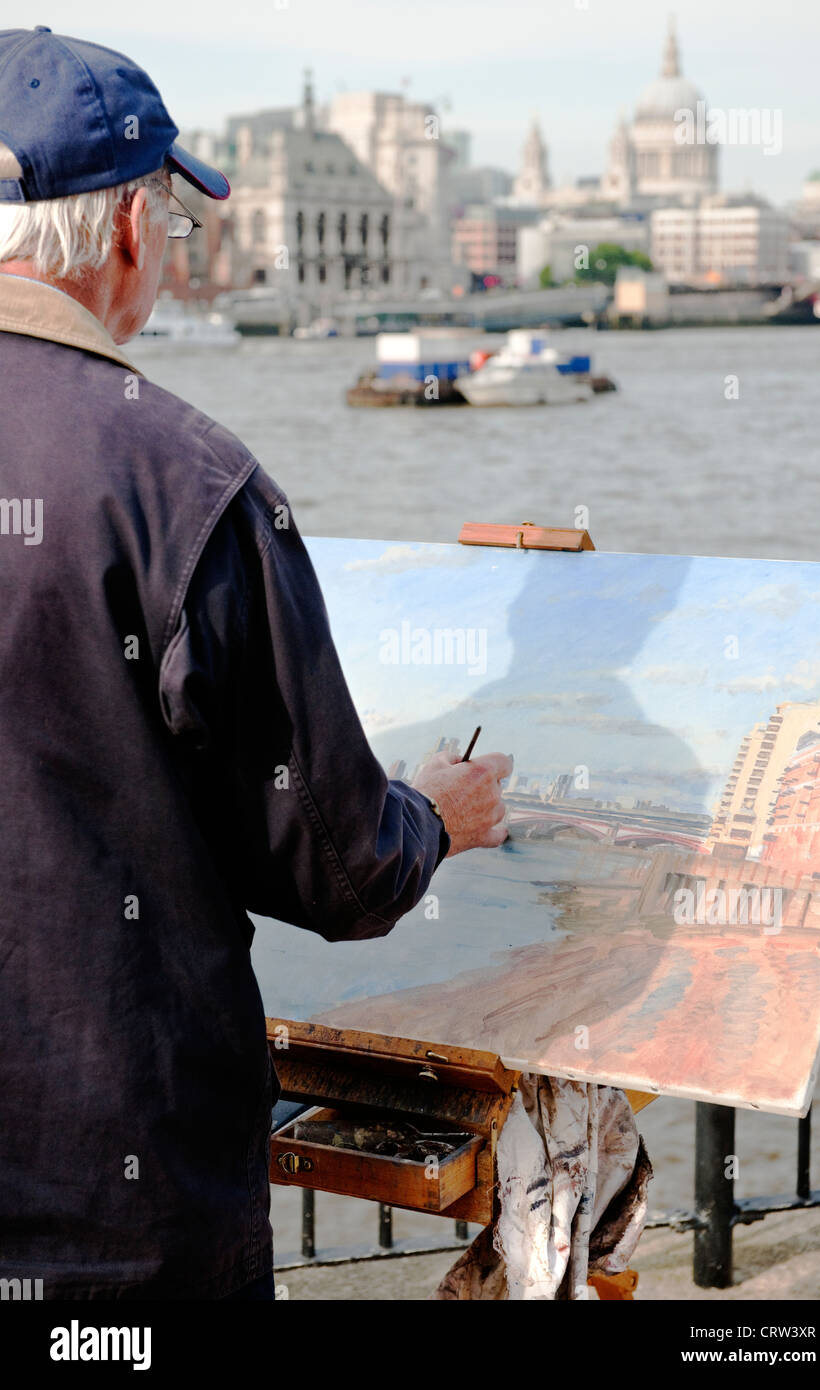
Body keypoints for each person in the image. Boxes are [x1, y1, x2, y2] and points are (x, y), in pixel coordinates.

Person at [0, 27, 510, 1301]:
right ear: (126, 232)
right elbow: (338, 864)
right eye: (172, 226)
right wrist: (436, 819)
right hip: (112, 1197)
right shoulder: (184, 484)